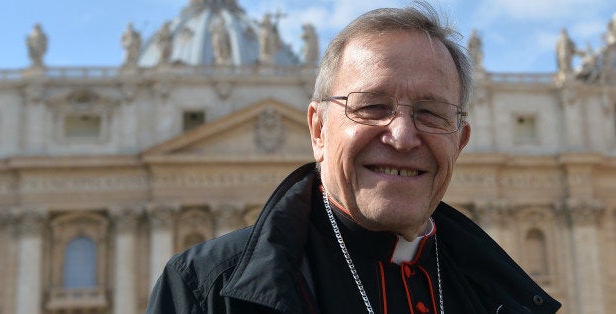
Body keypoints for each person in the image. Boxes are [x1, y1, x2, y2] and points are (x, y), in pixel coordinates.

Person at [146, 2, 562, 313]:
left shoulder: (507, 297)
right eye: (371, 107)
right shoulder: (200, 291)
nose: (402, 136)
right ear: (318, 130)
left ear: (461, 142)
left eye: (431, 113)